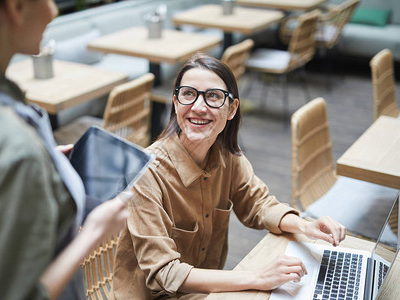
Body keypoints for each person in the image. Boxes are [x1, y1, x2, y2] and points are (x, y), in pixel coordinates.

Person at [112, 53, 347, 299]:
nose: (199, 107)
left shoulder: (228, 158)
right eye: (188, 94)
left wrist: (305, 226)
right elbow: (166, 273)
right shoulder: (144, 172)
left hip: (205, 290)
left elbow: (259, 205)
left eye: (213, 96)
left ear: (232, 108)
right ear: (175, 102)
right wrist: (259, 277)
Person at [0, 1, 129, 299]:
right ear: (16, 7)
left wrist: (42, 169)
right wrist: (96, 232)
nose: (55, 10)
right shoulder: (13, 151)